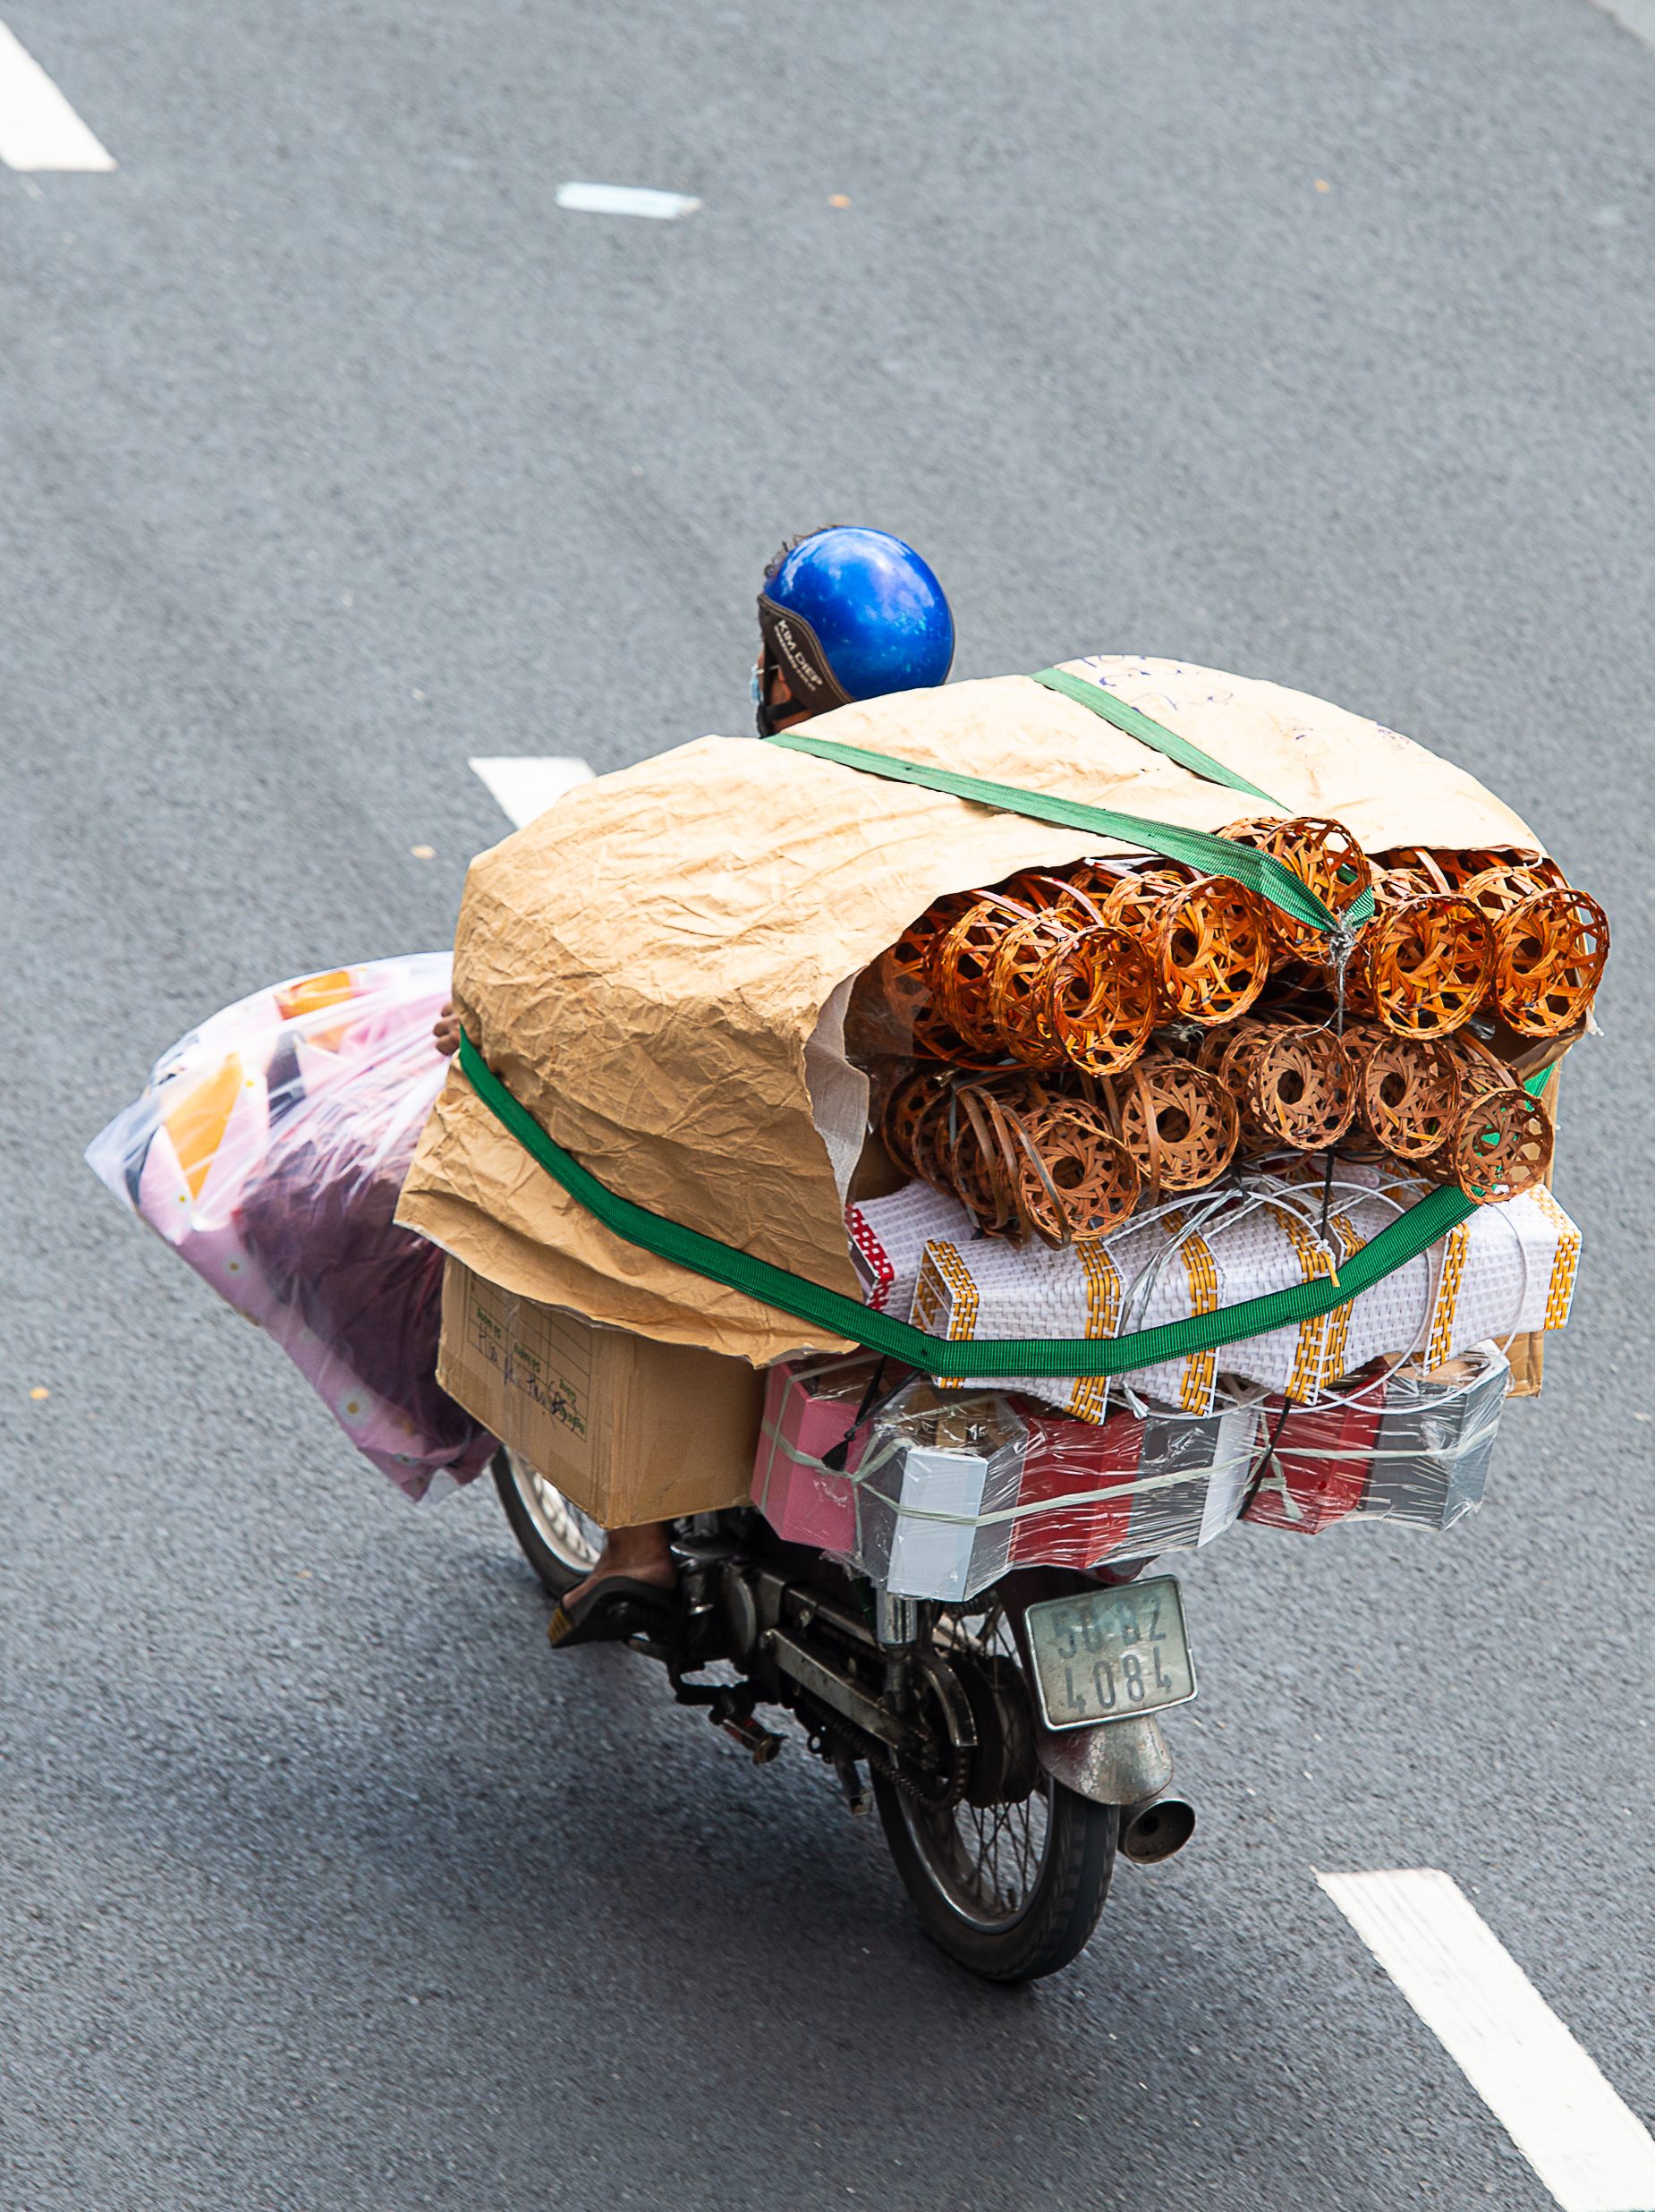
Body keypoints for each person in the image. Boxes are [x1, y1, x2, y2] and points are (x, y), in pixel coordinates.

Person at [434, 525, 954, 1642]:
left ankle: (637, 1548)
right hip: (936, 1169)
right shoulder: (971, 793)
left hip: (804, 1177)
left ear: (792, 670)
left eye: (772, 650)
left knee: (607, 1207)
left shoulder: (733, 805)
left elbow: (627, 974)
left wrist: (502, 1022)